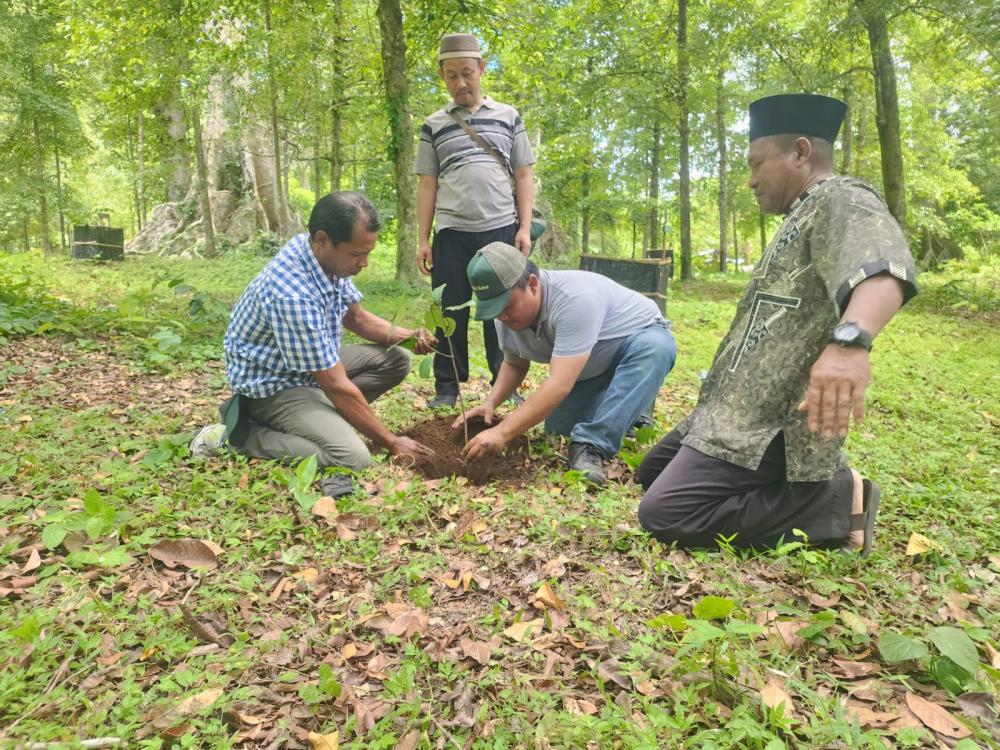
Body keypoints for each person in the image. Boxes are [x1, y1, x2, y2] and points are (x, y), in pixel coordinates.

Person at [636, 94, 918, 555]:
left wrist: (849, 344)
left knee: (665, 513)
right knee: (650, 473)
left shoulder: (843, 198)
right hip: (730, 411)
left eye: (757, 163)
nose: (751, 179)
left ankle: (836, 497)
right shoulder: (802, 211)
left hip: (771, 424)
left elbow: (885, 269)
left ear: (801, 152)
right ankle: (809, 486)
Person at [209, 192, 436, 472]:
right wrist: (391, 441)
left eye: (367, 253)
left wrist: (411, 337)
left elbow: (357, 319)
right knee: (353, 457)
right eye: (356, 254)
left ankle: (323, 419)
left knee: (396, 358)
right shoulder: (292, 294)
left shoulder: (323, 260)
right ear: (322, 240)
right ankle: (237, 437)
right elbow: (335, 384)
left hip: (306, 372)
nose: (364, 263)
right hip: (273, 387)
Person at [455, 242, 677, 486]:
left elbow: (559, 384)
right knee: (559, 429)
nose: (502, 316)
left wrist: (502, 432)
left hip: (635, 342)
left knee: (656, 348)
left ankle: (592, 444)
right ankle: (628, 410)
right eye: (495, 310)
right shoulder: (504, 318)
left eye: (507, 306)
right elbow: (515, 364)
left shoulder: (574, 299)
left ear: (532, 284)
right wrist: (490, 403)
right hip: (589, 367)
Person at [415, 33, 537, 409]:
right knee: (449, 310)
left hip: (500, 229)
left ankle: (505, 383)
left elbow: (523, 175)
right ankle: (447, 387)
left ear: (482, 69)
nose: (461, 83)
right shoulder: (433, 125)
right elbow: (427, 184)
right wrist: (423, 239)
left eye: (467, 73)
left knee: (501, 311)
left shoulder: (508, 117)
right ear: (442, 75)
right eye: (452, 75)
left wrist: (524, 228)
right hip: (451, 232)